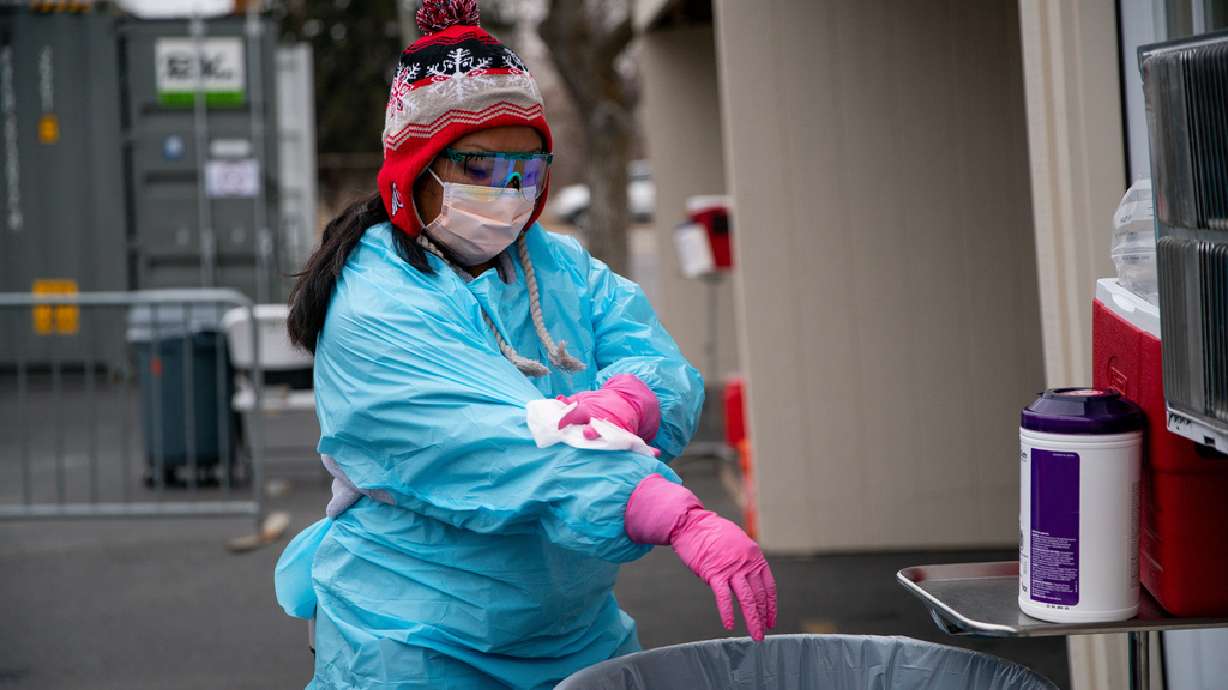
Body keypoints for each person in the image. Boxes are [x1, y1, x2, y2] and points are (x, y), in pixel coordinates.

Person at [274, 1, 777, 688]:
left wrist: (633, 401)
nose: (509, 194)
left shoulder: (554, 264)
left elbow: (657, 360)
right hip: (416, 643)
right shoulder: (376, 303)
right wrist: (670, 511)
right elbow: (500, 449)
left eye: (528, 169)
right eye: (480, 168)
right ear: (416, 167)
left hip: (574, 631)